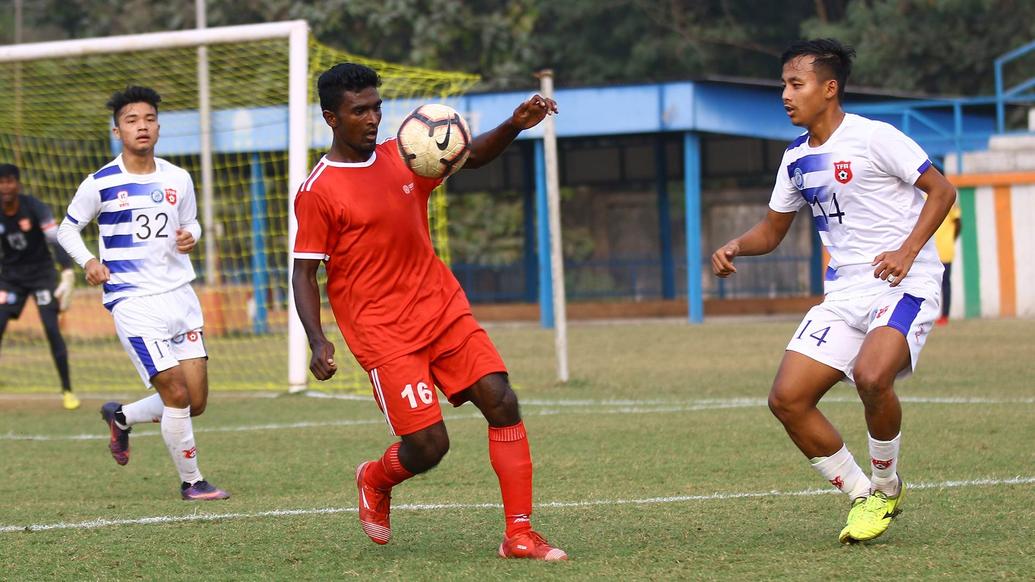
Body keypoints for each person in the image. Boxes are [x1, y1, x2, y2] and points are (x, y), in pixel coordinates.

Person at [292, 63, 566, 560]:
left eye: (376, 107)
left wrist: (513, 124)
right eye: (360, 111)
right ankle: (374, 479)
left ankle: (519, 534)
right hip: (383, 332)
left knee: (501, 400)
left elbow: (470, 155)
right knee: (429, 446)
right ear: (332, 118)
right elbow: (304, 274)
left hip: (441, 307)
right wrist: (317, 339)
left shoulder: (407, 152)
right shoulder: (318, 190)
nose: (373, 118)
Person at [711, 39, 956, 544]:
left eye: (795, 84)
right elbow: (772, 231)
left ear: (829, 88)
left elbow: (943, 190)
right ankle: (863, 495)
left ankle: (887, 487)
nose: (785, 94)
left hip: (903, 282)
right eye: (783, 83)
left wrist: (907, 251)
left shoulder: (874, 137)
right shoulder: (796, 158)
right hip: (844, 293)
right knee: (787, 399)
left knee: (871, 375)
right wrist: (738, 244)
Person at [56, 86, 228, 501]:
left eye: (149, 119)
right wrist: (88, 262)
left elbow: (193, 222)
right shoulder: (100, 183)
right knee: (176, 393)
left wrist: (192, 235)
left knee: (196, 401)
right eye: (132, 121)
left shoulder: (177, 177)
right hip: (133, 301)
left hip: (181, 297)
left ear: (158, 126)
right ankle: (193, 482)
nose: (142, 127)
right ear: (118, 131)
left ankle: (122, 416)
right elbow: (67, 230)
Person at [0, 163, 80, 410]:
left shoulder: (35, 208)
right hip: (11, 278)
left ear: (18, 183)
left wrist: (66, 272)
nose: (5, 187)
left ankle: (67, 390)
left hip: (42, 276)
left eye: (10, 181)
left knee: (51, 329)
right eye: (1, 182)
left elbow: (55, 241)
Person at [933, 202, 961, 325]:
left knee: (945, 283)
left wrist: (950, 240)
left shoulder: (946, 196)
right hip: (929, 250)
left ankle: (944, 315)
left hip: (944, 250)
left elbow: (958, 222)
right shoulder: (922, 196)